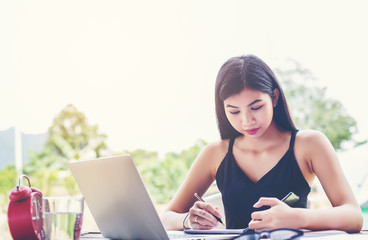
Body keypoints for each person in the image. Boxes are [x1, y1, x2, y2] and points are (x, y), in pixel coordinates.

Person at [161, 54, 363, 233]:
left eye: (256, 107)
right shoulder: (216, 153)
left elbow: (353, 216)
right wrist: (188, 220)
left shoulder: (309, 144)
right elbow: (167, 217)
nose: (247, 120)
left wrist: (298, 218)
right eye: (234, 111)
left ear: (274, 97)